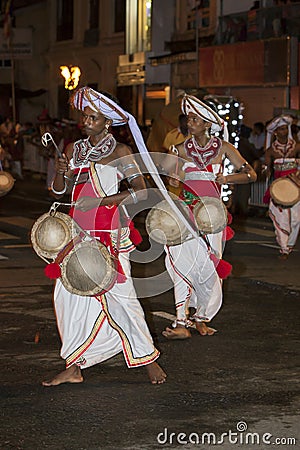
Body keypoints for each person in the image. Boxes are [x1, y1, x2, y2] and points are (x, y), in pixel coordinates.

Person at [42, 86, 166, 386]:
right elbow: (59, 191)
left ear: (107, 122)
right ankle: (74, 365)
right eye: (84, 117)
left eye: (93, 117)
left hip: (110, 232)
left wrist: (101, 201)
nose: (86, 121)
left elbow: (139, 190)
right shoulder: (73, 150)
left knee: (122, 298)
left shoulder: (121, 152)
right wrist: (61, 172)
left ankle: (148, 359)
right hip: (78, 234)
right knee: (67, 295)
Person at [160, 94, 257, 339]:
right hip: (186, 213)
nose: (189, 123)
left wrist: (228, 179)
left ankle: (202, 317)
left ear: (207, 124)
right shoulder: (180, 149)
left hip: (213, 215)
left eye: (194, 120)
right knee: (180, 262)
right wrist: (173, 179)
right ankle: (181, 320)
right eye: (188, 119)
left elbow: (251, 174)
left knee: (209, 265)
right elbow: (174, 182)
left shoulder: (224, 148)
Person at [263, 115, 300, 260]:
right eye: (280, 130)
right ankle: (284, 248)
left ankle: (289, 244)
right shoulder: (270, 151)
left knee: (296, 219)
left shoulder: (297, 146)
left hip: (296, 187)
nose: (283, 132)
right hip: (279, 188)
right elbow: (267, 168)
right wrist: (265, 169)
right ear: (276, 133)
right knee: (281, 218)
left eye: (285, 129)